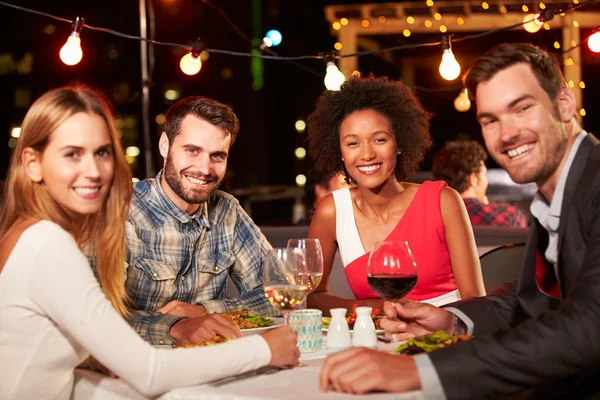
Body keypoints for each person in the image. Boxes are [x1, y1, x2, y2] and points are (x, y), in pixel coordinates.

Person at [319, 43, 600, 399]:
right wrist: (453, 319)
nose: (507, 133)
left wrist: (420, 370)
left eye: (522, 108)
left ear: (564, 104)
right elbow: (528, 298)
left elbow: (589, 326)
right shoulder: (557, 195)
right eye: (490, 120)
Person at [0, 86, 299, 400]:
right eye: (72, 154)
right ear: (32, 163)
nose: (92, 171)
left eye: (102, 153)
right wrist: (263, 349)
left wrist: (203, 311)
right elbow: (149, 371)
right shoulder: (47, 243)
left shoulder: (35, 233)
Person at [105, 96, 280, 346]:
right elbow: (96, 316)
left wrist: (204, 310)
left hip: (211, 364)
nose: (205, 168)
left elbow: (280, 293)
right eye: (192, 150)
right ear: (165, 145)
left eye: (217, 156)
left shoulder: (227, 210)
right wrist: (175, 327)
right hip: (136, 368)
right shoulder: (121, 212)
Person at [306, 76, 485, 315]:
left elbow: (475, 302)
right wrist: (371, 309)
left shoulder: (443, 201)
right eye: (352, 143)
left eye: (379, 139)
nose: (367, 154)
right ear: (339, 151)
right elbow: (313, 298)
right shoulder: (332, 212)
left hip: (446, 338)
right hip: (376, 338)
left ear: (399, 144)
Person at [432, 140, 527, 227]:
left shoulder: (430, 219)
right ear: (474, 179)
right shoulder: (509, 216)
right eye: (484, 174)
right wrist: (486, 206)